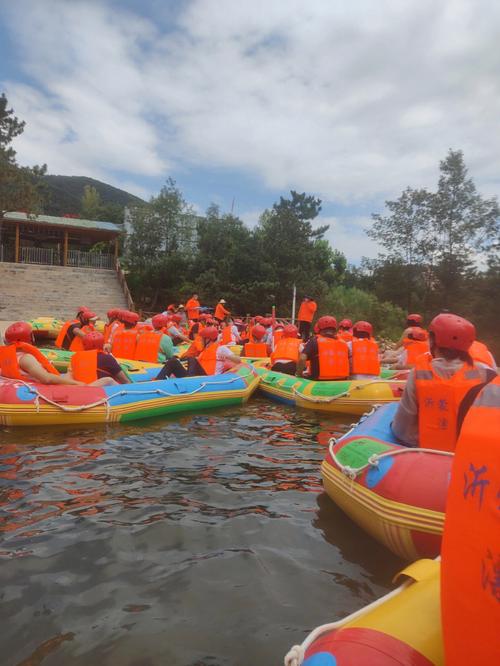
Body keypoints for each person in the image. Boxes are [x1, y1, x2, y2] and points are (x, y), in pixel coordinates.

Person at [391, 313, 495, 451]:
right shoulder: (488, 374)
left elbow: (402, 431)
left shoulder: (419, 373)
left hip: (429, 454)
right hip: (470, 458)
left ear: (434, 341)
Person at [0, 322, 82, 385]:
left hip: (19, 386)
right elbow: (46, 378)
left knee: (70, 373)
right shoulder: (26, 358)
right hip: (39, 389)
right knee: (80, 382)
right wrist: (76, 383)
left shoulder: (8, 357)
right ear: (30, 338)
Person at [156, 326, 244, 379]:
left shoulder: (221, 349)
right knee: (173, 361)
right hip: (198, 377)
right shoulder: (204, 350)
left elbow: (238, 360)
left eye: (202, 339)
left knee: (192, 359)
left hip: (208, 378)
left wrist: (227, 357)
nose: (201, 340)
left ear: (208, 339)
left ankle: (189, 381)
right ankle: (158, 381)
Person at [296, 316, 349, 380]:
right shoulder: (344, 343)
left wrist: (299, 374)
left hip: (319, 381)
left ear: (319, 328)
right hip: (341, 381)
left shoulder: (314, 341)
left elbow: (302, 358)